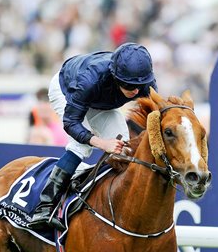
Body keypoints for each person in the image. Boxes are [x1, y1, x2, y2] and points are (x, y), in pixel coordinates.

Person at [29, 42, 157, 230]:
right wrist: (102, 143)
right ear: (115, 76)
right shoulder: (89, 79)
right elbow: (71, 123)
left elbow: (154, 117)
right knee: (82, 145)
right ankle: (44, 206)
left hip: (101, 102)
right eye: (130, 85)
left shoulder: (145, 81)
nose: (136, 91)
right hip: (66, 91)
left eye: (140, 85)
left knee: (125, 146)